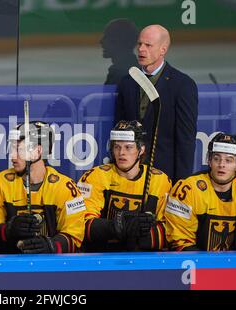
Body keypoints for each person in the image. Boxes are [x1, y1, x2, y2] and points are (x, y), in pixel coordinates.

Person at [0, 121, 86, 254]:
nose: (13, 156)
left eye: (20, 150)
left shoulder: (66, 188)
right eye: (12, 148)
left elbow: (75, 237)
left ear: (38, 151)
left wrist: (51, 245)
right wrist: (7, 230)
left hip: (50, 269)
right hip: (6, 267)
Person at [115, 24, 198, 184]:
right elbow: (119, 128)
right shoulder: (127, 82)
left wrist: (181, 183)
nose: (141, 49)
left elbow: (185, 140)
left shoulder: (182, 85)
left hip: (164, 175)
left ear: (163, 50)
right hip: (130, 176)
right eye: (139, 44)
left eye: (148, 45)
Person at [78, 120, 171, 252]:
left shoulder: (160, 180)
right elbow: (83, 225)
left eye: (128, 147)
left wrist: (144, 234)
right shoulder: (95, 176)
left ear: (141, 149)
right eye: (117, 147)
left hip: (143, 261)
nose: (121, 152)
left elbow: (169, 231)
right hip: (102, 258)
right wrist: (118, 226)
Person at [165, 133, 236, 251]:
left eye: (229, 160)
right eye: (216, 158)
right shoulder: (188, 188)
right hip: (195, 265)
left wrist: (235, 265)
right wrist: (206, 266)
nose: (221, 165)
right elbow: (180, 240)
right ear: (209, 161)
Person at [101, 18, 139, 85]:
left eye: (107, 37)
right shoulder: (133, 69)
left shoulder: (121, 73)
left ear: (120, 42)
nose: (101, 42)